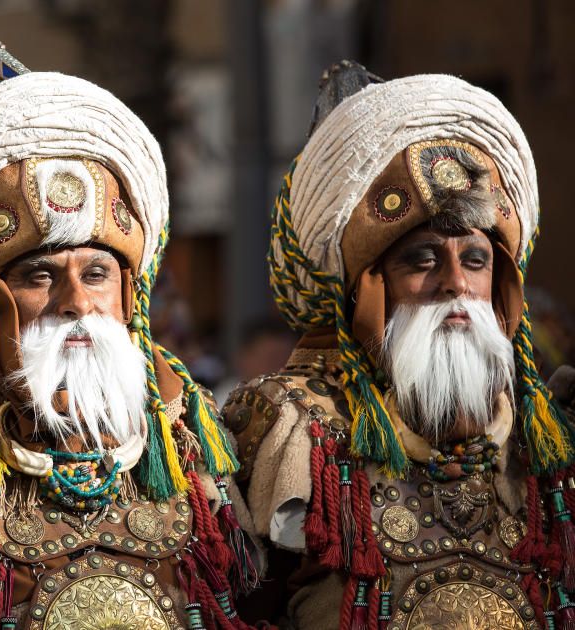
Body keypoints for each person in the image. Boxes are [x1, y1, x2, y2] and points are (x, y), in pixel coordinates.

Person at [0, 36, 262, 629]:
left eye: (96, 275)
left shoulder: (182, 423)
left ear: (129, 293)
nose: (77, 304)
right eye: (39, 276)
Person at [221, 61, 575, 628]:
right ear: (370, 286)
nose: (456, 284)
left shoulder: (552, 441)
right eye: (423, 259)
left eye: (476, 261)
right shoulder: (291, 429)